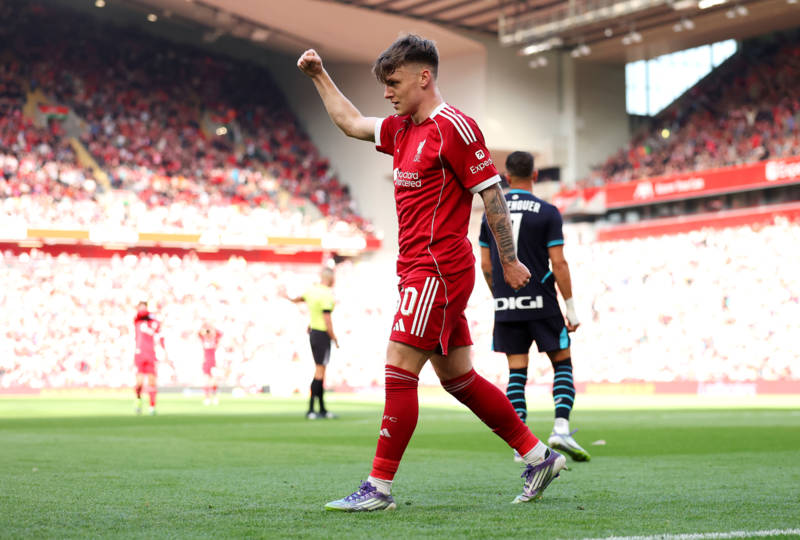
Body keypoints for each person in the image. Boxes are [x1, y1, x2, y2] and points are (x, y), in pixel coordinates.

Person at [297, 34, 566, 511]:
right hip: (418, 270)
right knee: (458, 377)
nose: (387, 93)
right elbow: (352, 122)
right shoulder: (402, 129)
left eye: (394, 82)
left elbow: (492, 195)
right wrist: (319, 75)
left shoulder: (455, 128)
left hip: (438, 269)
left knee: (399, 365)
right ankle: (538, 456)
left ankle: (378, 487)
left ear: (424, 77)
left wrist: (508, 259)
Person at [478, 151, 590, 462]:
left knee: (516, 372)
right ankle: (561, 428)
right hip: (543, 301)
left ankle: (521, 444)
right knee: (562, 363)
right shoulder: (548, 211)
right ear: (535, 175)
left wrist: (501, 295)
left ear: (507, 177)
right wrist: (570, 308)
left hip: (507, 303)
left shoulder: (489, 214)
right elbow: (559, 263)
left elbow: (486, 265)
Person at [282, 267, 339, 419]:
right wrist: (334, 337)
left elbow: (298, 299)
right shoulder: (327, 295)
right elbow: (327, 319)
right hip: (322, 334)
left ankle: (321, 409)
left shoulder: (311, 291)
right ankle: (312, 409)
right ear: (330, 278)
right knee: (319, 372)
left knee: (320, 372)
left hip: (313, 333)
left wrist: (287, 297)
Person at [133, 300, 165, 415]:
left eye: (144, 307)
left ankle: (152, 406)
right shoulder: (138, 319)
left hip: (151, 354)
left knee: (152, 382)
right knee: (139, 382)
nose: (142, 309)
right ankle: (138, 400)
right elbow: (141, 314)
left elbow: (160, 334)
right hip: (139, 354)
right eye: (140, 307)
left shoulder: (153, 322)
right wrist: (151, 313)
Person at [199, 323, 223, 406]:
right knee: (206, 381)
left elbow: (220, 334)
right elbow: (199, 332)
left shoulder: (214, 340)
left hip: (213, 362)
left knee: (214, 382)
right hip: (206, 362)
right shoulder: (204, 339)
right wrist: (205, 328)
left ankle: (214, 397)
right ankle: (207, 398)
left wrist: (212, 328)